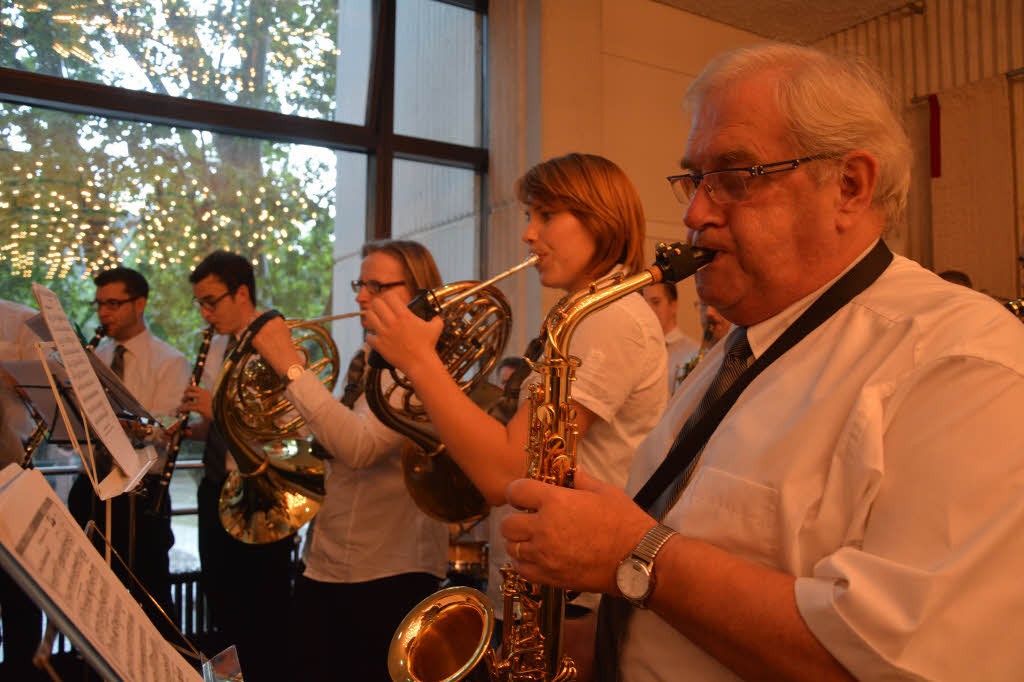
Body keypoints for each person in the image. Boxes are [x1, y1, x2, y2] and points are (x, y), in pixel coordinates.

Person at [495, 43, 1024, 682]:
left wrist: (632, 552)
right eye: (693, 178)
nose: (693, 213)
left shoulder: (963, 361)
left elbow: (898, 663)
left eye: (735, 176)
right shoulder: (740, 350)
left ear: (850, 188)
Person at [366, 153, 669, 629]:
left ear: (600, 218)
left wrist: (420, 362)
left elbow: (506, 472)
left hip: (574, 604)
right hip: (546, 586)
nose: (528, 234)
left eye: (546, 215)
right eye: (530, 216)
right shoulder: (583, 315)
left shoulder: (612, 320)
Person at [247, 239, 449, 681]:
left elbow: (359, 448)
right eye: (362, 283)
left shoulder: (422, 367)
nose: (360, 296)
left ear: (418, 292)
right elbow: (331, 441)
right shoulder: (369, 359)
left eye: (377, 286)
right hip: (330, 560)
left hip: (387, 572)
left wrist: (291, 368)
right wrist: (286, 396)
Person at [179, 251, 292, 682]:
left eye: (211, 302)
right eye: (200, 304)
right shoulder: (218, 344)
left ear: (241, 292)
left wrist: (218, 409)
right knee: (220, 599)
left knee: (261, 609)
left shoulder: (276, 341)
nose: (205, 313)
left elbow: (282, 429)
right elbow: (218, 423)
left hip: (259, 495)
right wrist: (191, 427)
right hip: (215, 486)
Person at [66, 267, 190, 632]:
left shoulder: (170, 361)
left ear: (140, 303)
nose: (104, 313)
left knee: (149, 603)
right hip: (92, 487)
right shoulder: (95, 358)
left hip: (141, 497)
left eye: (114, 304)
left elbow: (165, 429)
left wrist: (122, 426)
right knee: (91, 598)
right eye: (100, 304)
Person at [642, 282, 699, 393]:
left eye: (656, 302)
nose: (648, 310)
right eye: (644, 304)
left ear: (673, 306)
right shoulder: (638, 350)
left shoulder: (694, 352)